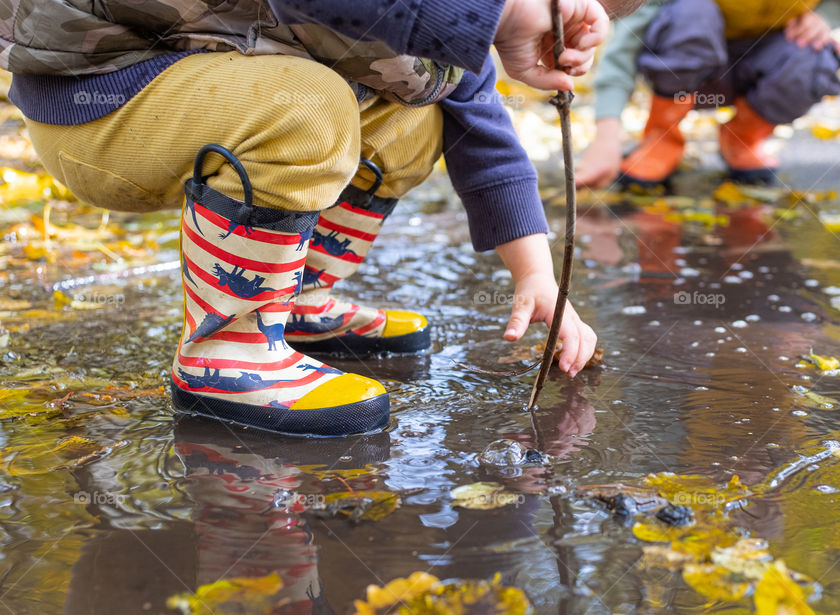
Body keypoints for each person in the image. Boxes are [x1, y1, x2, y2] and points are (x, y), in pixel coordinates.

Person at [1, 0, 606, 436]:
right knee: (310, 103)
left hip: (209, 89)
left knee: (417, 120)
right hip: (101, 100)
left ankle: (289, 300)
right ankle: (227, 349)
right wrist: (495, 15)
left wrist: (537, 278)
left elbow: (483, 134)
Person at [576, 0, 840, 189]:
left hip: (767, 59)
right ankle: (661, 138)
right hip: (687, 65)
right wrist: (607, 134)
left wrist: (831, 12)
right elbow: (627, 40)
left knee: (815, 59)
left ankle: (743, 137)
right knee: (693, 12)